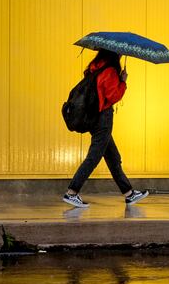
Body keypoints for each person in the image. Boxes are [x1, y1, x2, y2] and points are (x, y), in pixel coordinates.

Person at [63, 49, 149, 208]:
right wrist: (123, 82)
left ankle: (129, 193)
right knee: (94, 157)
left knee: (113, 157)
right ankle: (72, 192)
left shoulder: (94, 67)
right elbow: (113, 96)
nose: (121, 56)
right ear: (114, 55)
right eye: (120, 54)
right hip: (103, 118)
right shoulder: (109, 71)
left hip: (94, 117)